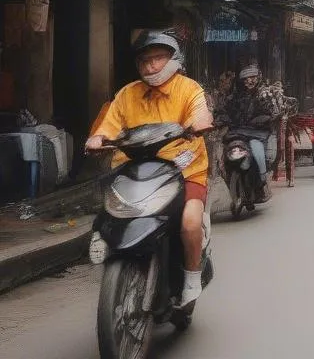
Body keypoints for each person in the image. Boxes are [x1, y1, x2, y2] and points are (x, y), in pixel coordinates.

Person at [86, 31, 213, 308]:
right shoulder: (126, 94)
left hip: (183, 169)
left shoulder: (189, 89)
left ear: (173, 59)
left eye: (157, 58)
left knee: (190, 222)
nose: (150, 66)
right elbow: (109, 125)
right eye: (145, 60)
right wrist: (97, 138)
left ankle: (191, 277)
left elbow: (200, 113)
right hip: (135, 168)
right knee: (110, 207)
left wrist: (200, 122)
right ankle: (103, 239)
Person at [219, 64, 277, 202]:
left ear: (258, 78)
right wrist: (220, 119)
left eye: (252, 78)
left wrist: (261, 120)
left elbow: (272, 112)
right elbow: (224, 110)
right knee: (224, 158)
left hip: (257, 133)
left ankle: (261, 182)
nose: (249, 81)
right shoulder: (235, 96)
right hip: (238, 133)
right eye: (245, 79)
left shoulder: (266, 94)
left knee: (257, 153)